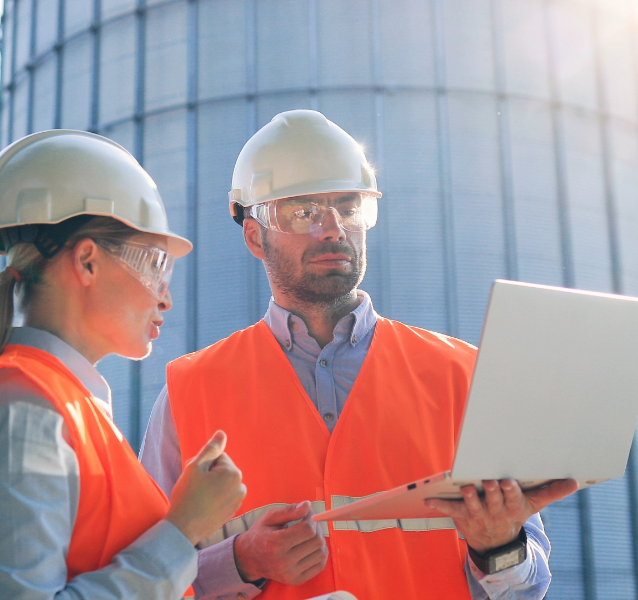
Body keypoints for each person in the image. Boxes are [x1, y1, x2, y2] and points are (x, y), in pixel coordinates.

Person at [140, 110, 578, 600]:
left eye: (349, 208)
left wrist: (499, 545)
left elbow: (527, 588)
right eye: (303, 212)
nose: (333, 230)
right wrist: (240, 562)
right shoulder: (190, 393)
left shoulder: (463, 375)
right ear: (253, 235)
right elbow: (143, 578)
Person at [0, 130, 247, 600]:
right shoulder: (22, 413)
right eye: (154, 266)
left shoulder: (65, 407)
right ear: (87, 261)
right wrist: (181, 528)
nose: (165, 297)